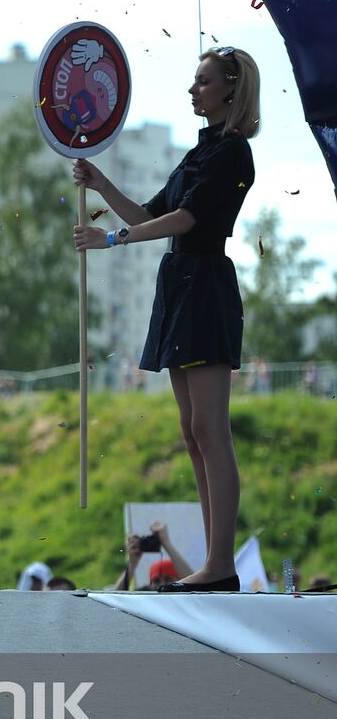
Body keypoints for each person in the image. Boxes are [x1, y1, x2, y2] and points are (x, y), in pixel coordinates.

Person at [73, 47, 260, 593]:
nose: (192, 90)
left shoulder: (232, 153)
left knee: (211, 430)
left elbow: (187, 219)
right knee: (191, 431)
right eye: (193, 81)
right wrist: (103, 186)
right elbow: (151, 214)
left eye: (202, 82)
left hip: (204, 287)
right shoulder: (198, 154)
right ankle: (213, 562)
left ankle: (220, 565)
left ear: (230, 88)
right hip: (179, 288)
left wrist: (110, 239)